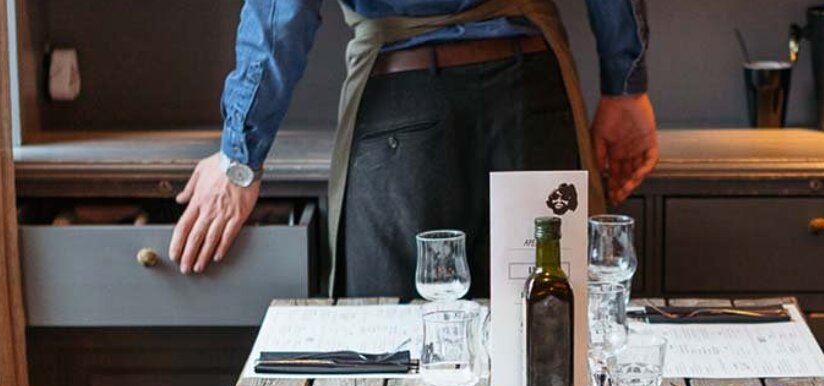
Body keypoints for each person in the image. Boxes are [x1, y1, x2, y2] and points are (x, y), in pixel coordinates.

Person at [170, 0, 658, 299]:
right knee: (548, 357)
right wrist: (625, 87)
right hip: (534, 99)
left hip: (402, 112)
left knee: (396, 363)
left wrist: (241, 154)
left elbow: (281, 11)